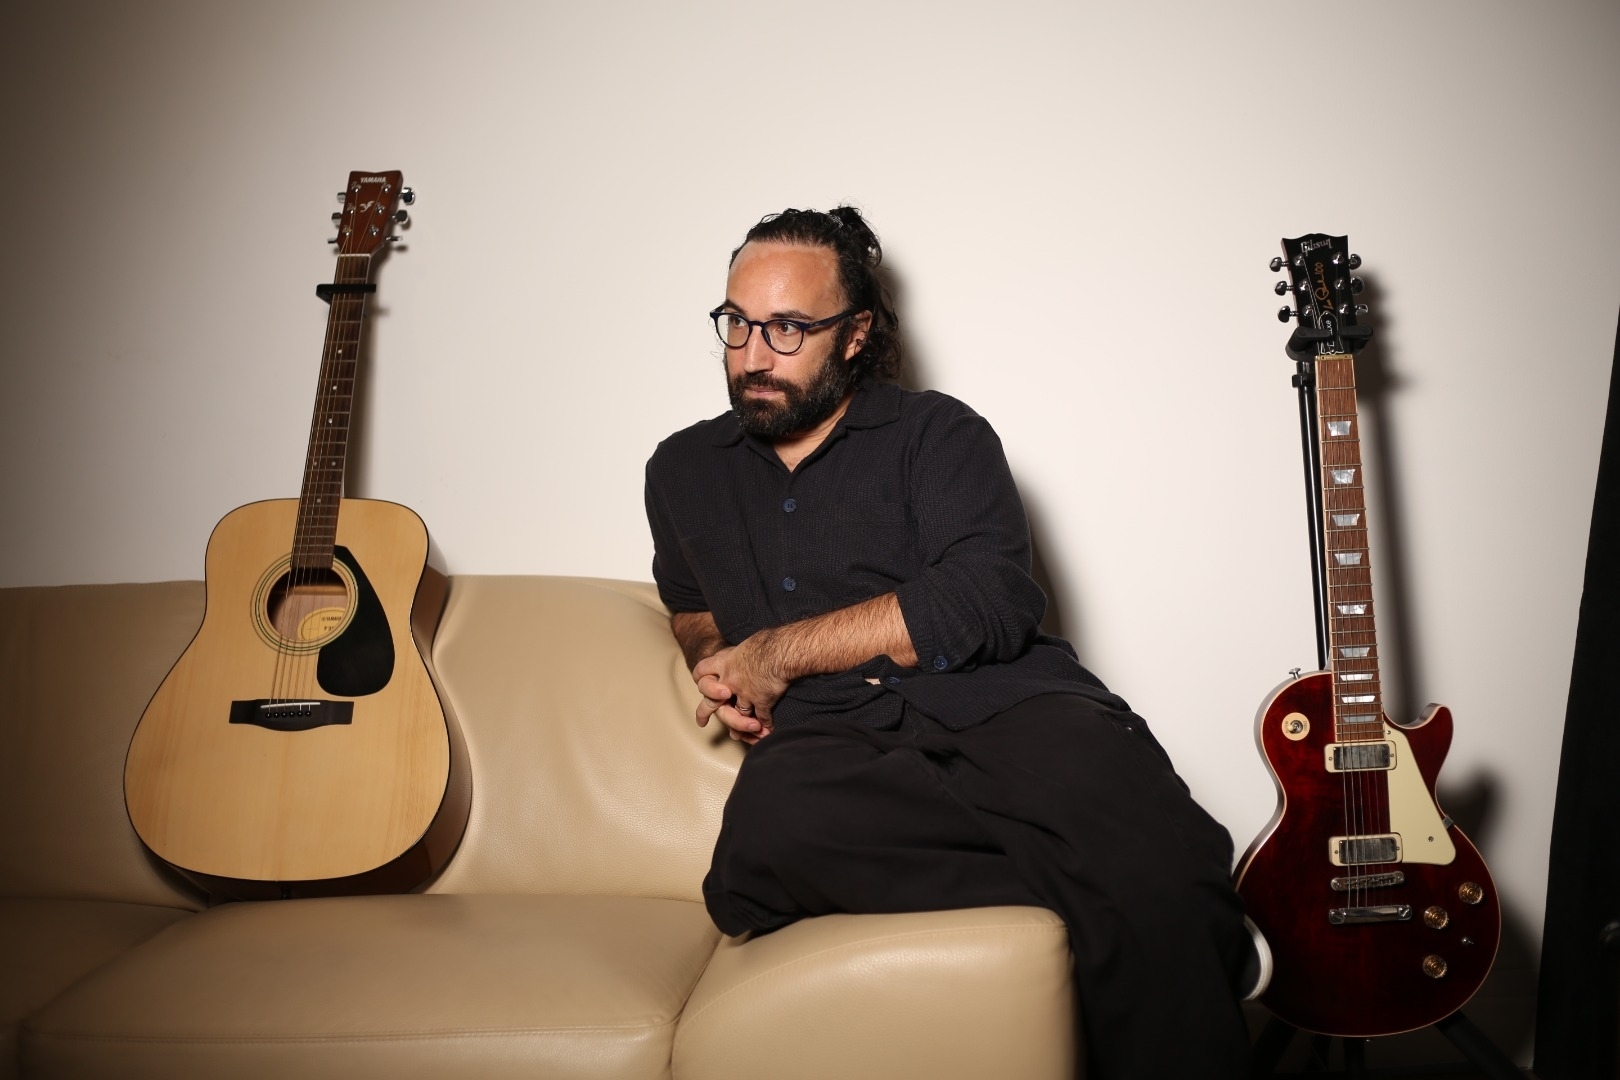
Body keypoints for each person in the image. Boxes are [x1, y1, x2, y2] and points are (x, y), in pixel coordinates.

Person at [643, 206, 1252, 1079]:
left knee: (1146, 840)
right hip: (835, 740)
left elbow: (987, 598)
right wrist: (717, 661)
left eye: (788, 328)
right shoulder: (680, 470)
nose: (752, 354)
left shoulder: (939, 434)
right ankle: (1130, 888)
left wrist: (773, 655)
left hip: (1006, 706)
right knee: (761, 847)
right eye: (736, 323)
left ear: (855, 334)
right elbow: (690, 603)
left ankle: (1156, 889)